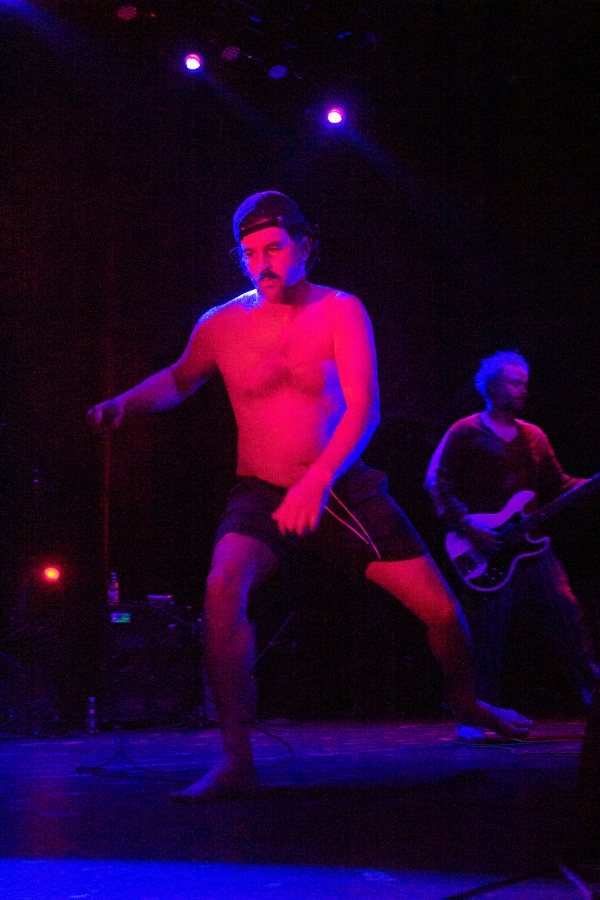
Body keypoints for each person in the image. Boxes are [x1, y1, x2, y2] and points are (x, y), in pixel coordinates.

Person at [88, 192, 530, 799]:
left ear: (304, 246)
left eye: (273, 248)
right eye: (249, 254)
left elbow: (364, 410)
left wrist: (317, 481)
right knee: (222, 587)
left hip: (342, 487)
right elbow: (179, 379)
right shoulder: (221, 324)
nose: (261, 263)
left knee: (443, 615)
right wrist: (125, 403)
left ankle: (469, 702)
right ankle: (236, 760)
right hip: (261, 491)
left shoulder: (341, 311)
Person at [425, 351, 597, 738]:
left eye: (525, 383)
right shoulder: (465, 430)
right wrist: (467, 525)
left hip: (531, 549)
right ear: (492, 386)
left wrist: (590, 486)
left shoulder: (534, 436)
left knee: (568, 616)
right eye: (515, 382)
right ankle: (476, 714)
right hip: (484, 549)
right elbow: (437, 481)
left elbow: (558, 485)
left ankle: (594, 698)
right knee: (487, 633)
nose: (523, 389)